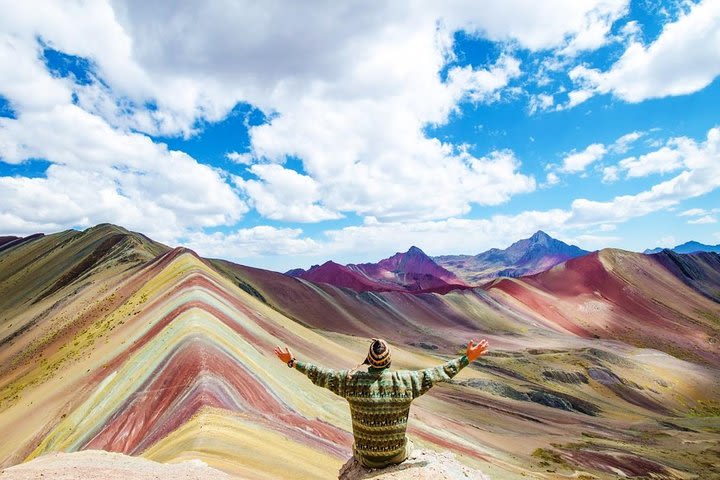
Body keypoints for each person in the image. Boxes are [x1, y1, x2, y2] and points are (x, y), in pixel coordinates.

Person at [274, 337, 489, 468]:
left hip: (366, 458)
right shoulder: (406, 381)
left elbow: (320, 374)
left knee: (355, 447)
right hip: (397, 455)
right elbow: (438, 373)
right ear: (389, 361)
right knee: (410, 443)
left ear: (368, 360)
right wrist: (466, 358)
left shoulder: (350, 382)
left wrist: (292, 362)